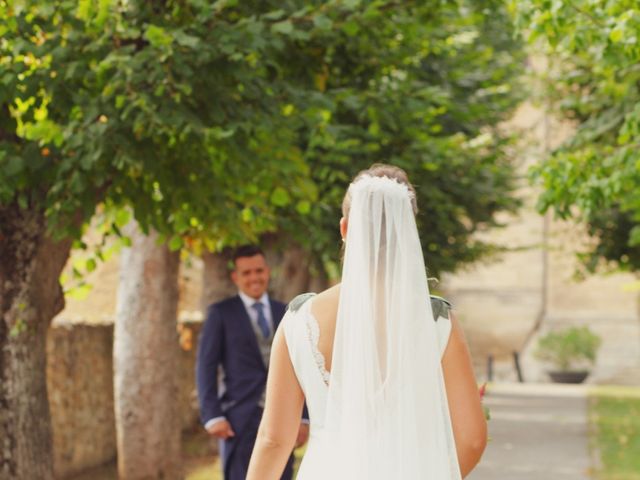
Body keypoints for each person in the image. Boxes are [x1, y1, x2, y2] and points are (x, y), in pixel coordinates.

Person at [246, 164, 487, 479]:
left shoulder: (298, 320)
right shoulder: (438, 322)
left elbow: (274, 439)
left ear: (345, 229)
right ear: (408, 230)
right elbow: (471, 440)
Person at [196, 245, 309, 480]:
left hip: (282, 418)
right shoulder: (221, 314)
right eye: (246, 273)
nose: (254, 278)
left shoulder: (287, 312)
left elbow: (302, 367)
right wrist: (212, 415)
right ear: (235, 277)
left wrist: (304, 416)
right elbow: (206, 367)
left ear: (267, 272)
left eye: (258, 271)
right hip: (238, 419)